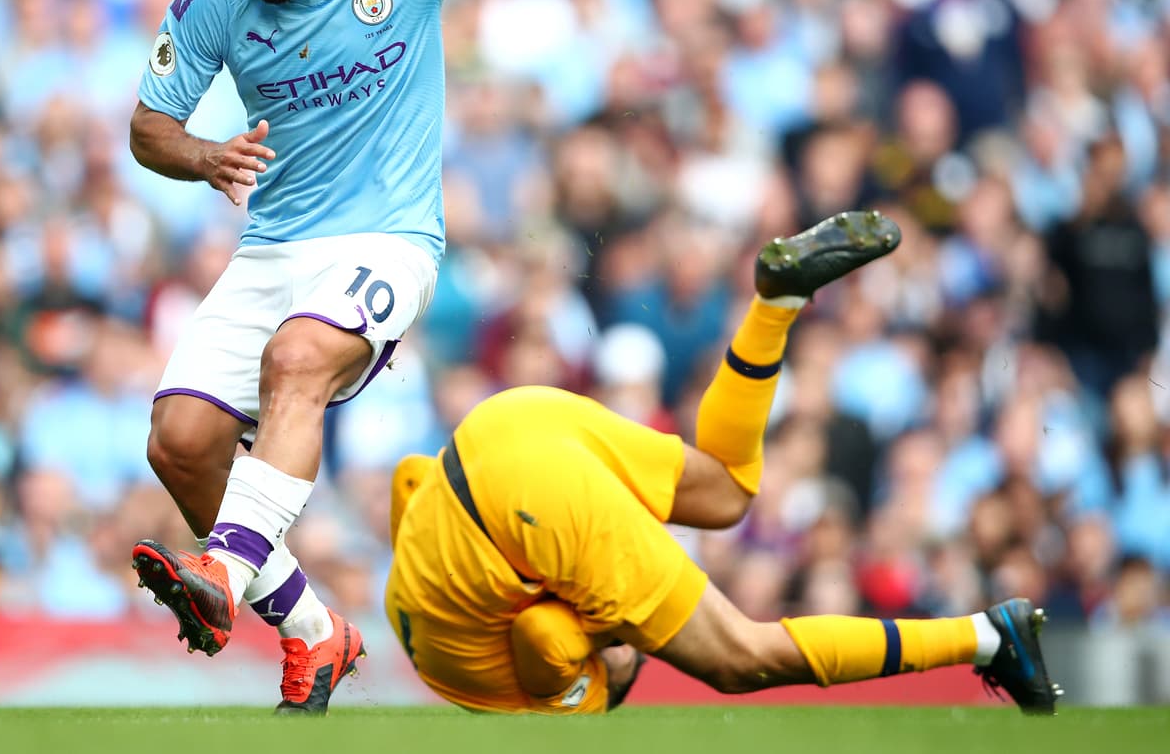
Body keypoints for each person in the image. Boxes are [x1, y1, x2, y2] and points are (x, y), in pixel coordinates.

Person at [127, 0, 698, 714]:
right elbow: (149, 127)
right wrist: (204, 156)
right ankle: (316, 632)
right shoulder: (210, 4)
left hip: (388, 242)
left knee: (297, 359)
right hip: (272, 246)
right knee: (180, 445)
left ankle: (221, 576)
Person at [385, 211, 1064, 715]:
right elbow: (409, 477)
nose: (632, 638)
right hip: (505, 422)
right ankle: (773, 305)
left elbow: (548, 638)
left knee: (739, 658)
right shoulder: (408, 613)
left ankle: (984, 637)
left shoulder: (567, 696)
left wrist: (596, 632)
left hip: (525, 505)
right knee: (727, 492)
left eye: (625, 651)